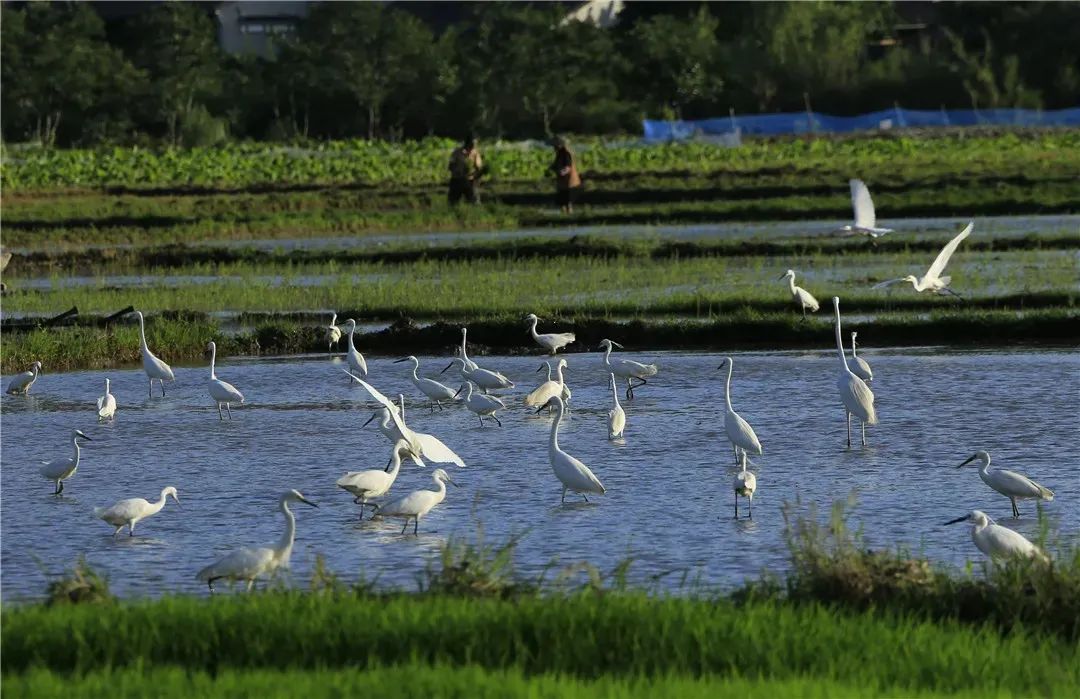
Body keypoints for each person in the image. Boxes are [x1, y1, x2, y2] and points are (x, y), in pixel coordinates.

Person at [548, 136, 581, 214]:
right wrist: (550, 169)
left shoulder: (566, 153)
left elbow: (567, 167)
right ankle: (564, 215)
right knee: (562, 202)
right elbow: (556, 164)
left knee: (568, 203)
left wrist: (561, 172)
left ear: (559, 145)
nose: (553, 147)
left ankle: (569, 215)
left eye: (555, 145)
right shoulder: (560, 153)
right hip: (563, 182)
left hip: (570, 182)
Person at [447, 135, 483, 205]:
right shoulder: (457, 152)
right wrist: (457, 171)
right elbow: (451, 165)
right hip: (457, 180)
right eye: (473, 143)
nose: (474, 145)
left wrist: (476, 177)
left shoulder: (475, 153)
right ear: (468, 143)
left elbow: (478, 167)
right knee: (453, 202)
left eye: (475, 144)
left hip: (469, 180)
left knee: (474, 202)